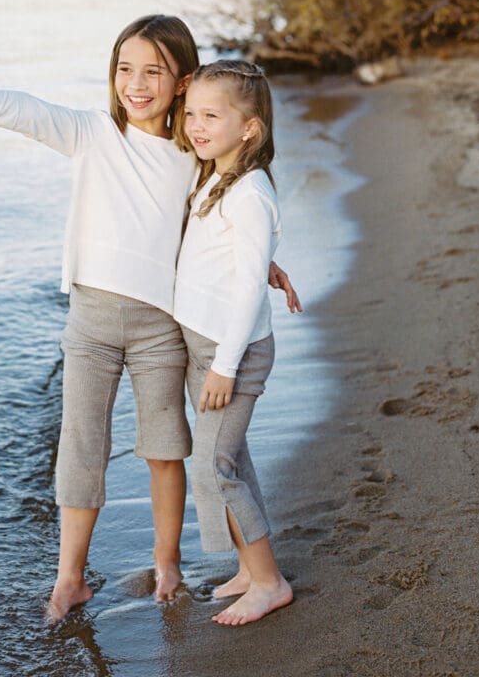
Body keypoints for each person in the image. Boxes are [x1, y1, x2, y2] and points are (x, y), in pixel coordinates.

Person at [0, 17, 298, 623]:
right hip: (90, 321)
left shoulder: (192, 152)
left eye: (153, 72)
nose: (136, 84)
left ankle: (168, 562)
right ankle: (70, 578)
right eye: (124, 69)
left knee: (166, 447)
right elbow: (29, 111)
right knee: (81, 444)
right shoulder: (92, 133)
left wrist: (264, 261)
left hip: (163, 329)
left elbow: (228, 218)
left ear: (183, 82)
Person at [174, 59, 294, 626]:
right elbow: (236, 259)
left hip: (234, 351)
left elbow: (246, 288)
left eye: (211, 116)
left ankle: (269, 582)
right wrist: (270, 261)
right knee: (233, 459)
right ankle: (252, 569)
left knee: (215, 466)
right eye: (191, 112)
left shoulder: (248, 191)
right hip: (212, 345)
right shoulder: (217, 174)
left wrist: (224, 365)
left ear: (249, 127)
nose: (196, 125)